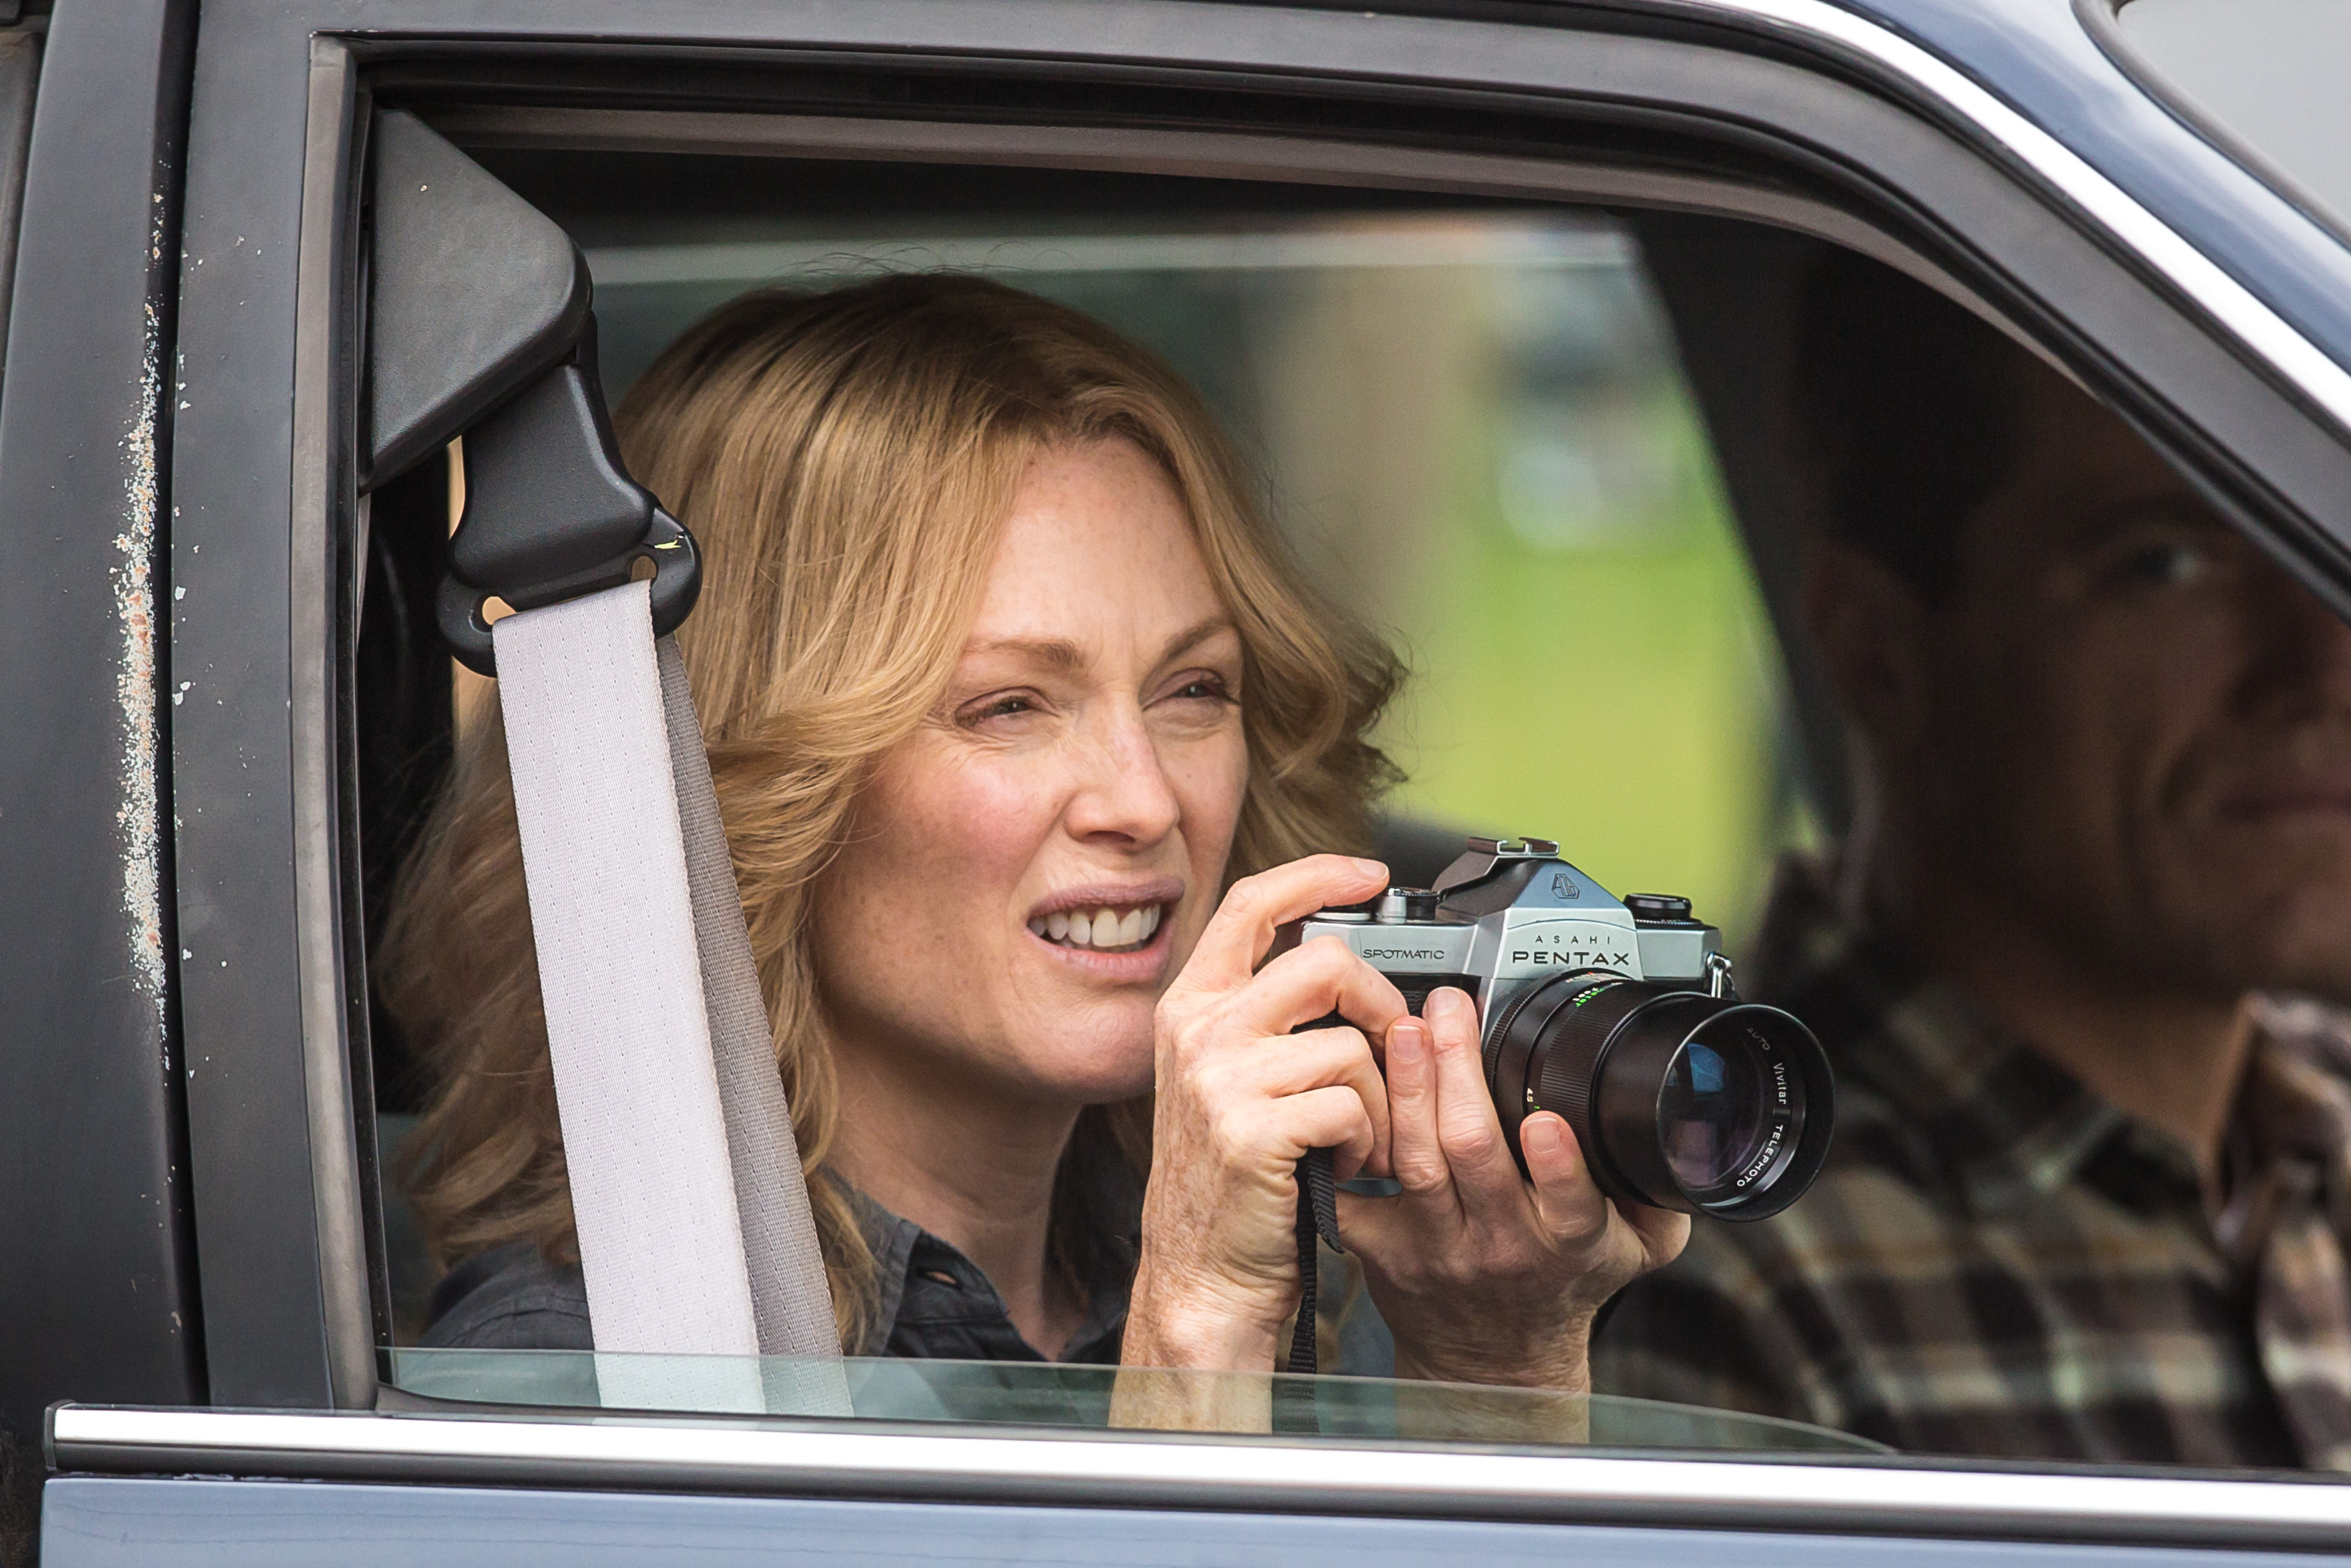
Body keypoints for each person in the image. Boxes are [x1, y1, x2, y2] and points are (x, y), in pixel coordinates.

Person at [381, 274, 1685, 1414]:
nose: (1144, 799)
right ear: (752, 785)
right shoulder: (586, 1382)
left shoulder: (1306, 1259)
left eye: (1194, 690)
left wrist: (1494, 1362)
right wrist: (1194, 1336)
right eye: (1009, 705)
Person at [1592, 248, 2351, 1467]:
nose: (2326, 666)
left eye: (2333, 548)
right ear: (1881, 654)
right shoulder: (1704, 1250)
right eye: (2165, 562)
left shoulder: (2314, 1116)